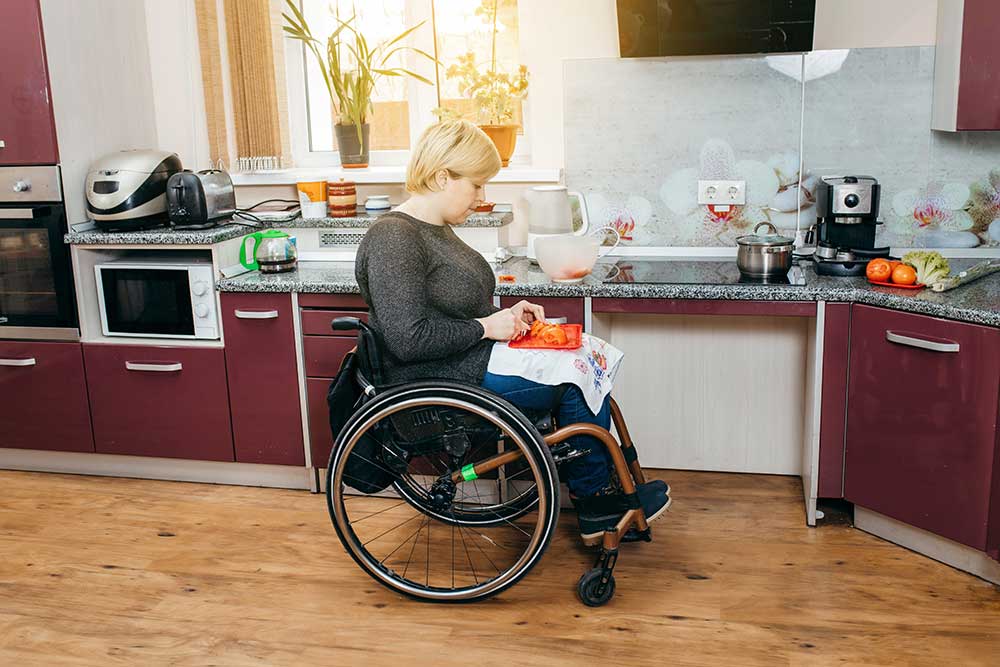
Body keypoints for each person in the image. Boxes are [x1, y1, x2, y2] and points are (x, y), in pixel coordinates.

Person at [354, 120, 669, 543]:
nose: (483, 199)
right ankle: (597, 502)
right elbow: (409, 339)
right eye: (477, 185)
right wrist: (486, 326)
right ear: (442, 175)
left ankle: (606, 489)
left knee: (584, 352)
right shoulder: (395, 238)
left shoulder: (434, 230)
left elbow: (453, 308)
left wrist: (505, 314)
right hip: (439, 381)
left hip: (467, 362)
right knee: (573, 378)